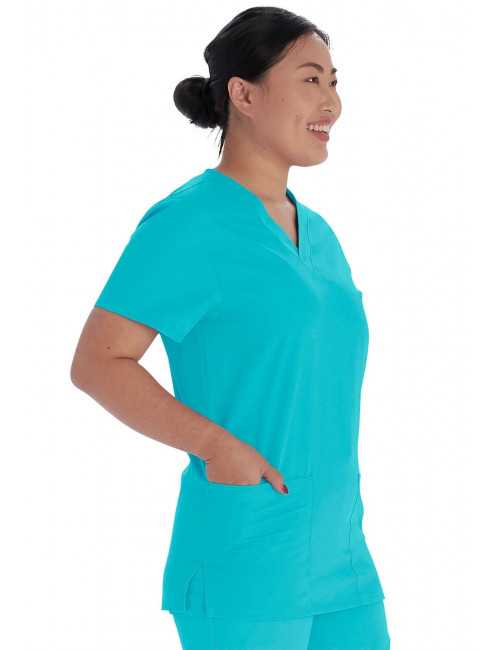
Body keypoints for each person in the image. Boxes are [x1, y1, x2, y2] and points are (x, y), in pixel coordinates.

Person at [70, 6, 391, 650]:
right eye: (310, 79)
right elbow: (98, 362)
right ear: (243, 94)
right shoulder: (190, 223)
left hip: (341, 553)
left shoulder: (320, 235)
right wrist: (215, 446)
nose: (331, 102)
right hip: (248, 553)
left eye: (334, 82)